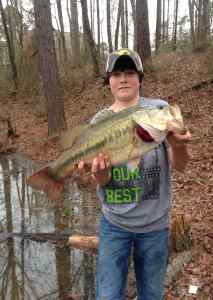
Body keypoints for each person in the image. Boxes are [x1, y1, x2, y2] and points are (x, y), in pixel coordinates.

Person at [78, 48, 191, 300]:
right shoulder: (99, 120)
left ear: (140, 78)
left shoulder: (158, 110)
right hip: (114, 224)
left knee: (151, 294)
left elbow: (181, 166)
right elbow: (100, 182)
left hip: (155, 226)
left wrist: (180, 146)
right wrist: (99, 174)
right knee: (108, 295)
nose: (124, 79)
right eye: (117, 74)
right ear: (108, 81)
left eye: (130, 72)